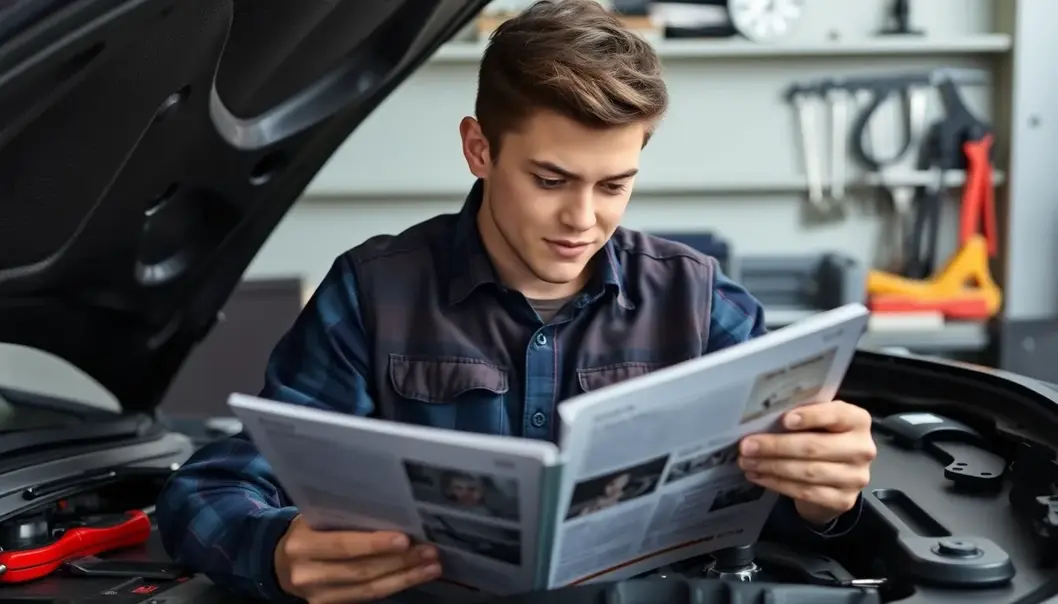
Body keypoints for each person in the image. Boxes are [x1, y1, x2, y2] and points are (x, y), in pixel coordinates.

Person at [154, 1, 877, 602]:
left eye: (614, 185)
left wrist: (823, 500)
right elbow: (210, 491)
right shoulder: (373, 293)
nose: (583, 220)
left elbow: (775, 517)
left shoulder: (700, 301)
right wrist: (275, 550)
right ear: (479, 149)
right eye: (551, 180)